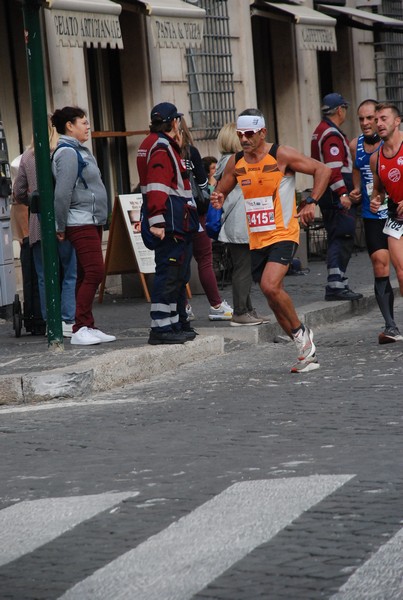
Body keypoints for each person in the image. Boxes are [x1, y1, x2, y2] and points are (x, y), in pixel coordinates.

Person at [211, 108, 331, 373]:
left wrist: (311, 202)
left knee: (269, 284)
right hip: (257, 237)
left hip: (283, 233)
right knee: (271, 295)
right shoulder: (236, 161)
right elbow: (222, 187)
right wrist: (218, 197)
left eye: (250, 134)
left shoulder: (281, 154)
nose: (244, 139)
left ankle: (302, 335)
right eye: (241, 134)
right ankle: (305, 349)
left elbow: (322, 170)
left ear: (263, 132)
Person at [51, 106, 116, 346]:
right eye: (84, 122)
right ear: (69, 125)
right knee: (95, 272)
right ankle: (79, 328)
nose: (88, 126)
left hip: (91, 219)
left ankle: (87, 324)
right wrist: (60, 225)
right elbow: (62, 193)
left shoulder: (81, 151)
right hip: (80, 221)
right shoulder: (67, 153)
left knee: (85, 274)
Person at [137, 102, 199, 345]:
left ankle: (171, 323)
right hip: (171, 222)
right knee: (169, 274)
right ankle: (162, 327)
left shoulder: (153, 144)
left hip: (173, 220)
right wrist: (158, 221)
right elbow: (157, 186)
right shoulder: (162, 147)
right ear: (174, 122)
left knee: (175, 274)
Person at [13, 119, 77, 338]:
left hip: (37, 222)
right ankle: (68, 318)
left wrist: (31, 201)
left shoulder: (28, 157)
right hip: (64, 220)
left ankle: (50, 320)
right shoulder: (61, 152)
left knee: (43, 275)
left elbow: (18, 190)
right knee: (69, 271)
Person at [350, 100, 402, 344]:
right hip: (386, 217)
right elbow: (372, 185)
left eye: (379, 119)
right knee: (389, 269)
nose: (372, 124)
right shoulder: (366, 152)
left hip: (395, 213)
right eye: (366, 119)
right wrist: (370, 197)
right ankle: (390, 325)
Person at [215, 122, 269, 326]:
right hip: (240, 223)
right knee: (243, 268)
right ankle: (240, 311)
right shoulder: (235, 161)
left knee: (243, 266)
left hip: (237, 222)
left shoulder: (225, 161)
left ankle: (247, 309)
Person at [179, 117, 233, 322]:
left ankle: (182, 306)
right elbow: (202, 185)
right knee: (204, 259)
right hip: (195, 214)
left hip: (174, 215)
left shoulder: (163, 151)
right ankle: (216, 304)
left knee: (178, 261)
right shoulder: (190, 152)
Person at [311, 93, 363, 301]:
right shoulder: (331, 134)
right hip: (335, 195)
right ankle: (335, 285)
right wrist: (343, 193)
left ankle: (339, 281)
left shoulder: (321, 131)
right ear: (340, 109)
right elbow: (333, 168)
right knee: (342, 235)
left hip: (329, 193)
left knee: (339, 235)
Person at [370, 102, 403, 335]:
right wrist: (376, 199)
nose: (379, 124)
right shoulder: (376, 158)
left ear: (397, 121)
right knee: (401, 272)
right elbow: (379, 190)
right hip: (396, 216)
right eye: (377, 120)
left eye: (384, 119)